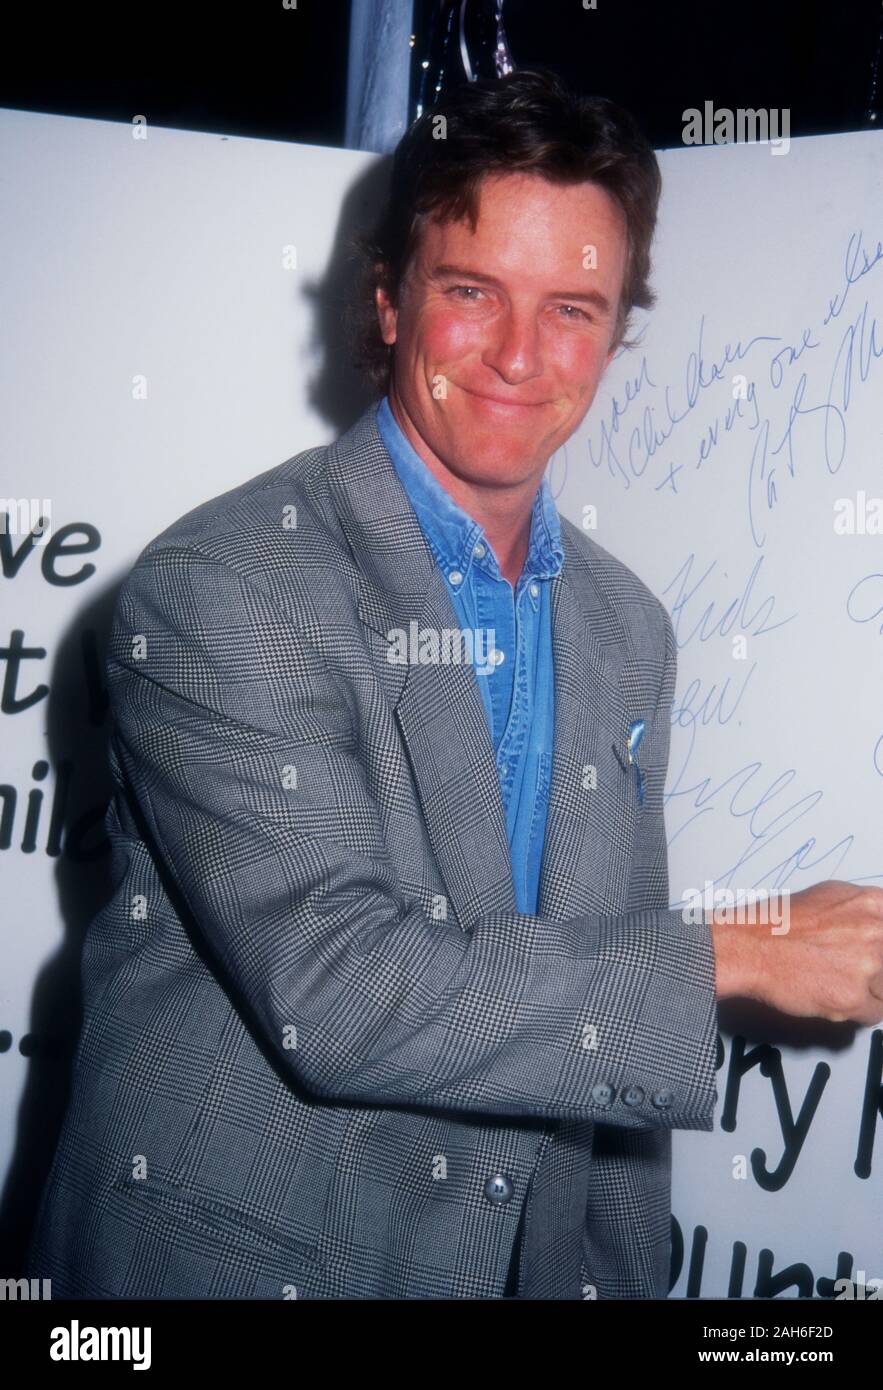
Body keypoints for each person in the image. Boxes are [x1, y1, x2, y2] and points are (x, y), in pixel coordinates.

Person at [25, 67, 883, 1301]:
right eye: (472, 292)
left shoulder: (626, 623)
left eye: (575, 308)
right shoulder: (224, 587)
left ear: (619, 331)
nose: (521, 357)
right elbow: (343, 988)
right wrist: (737, 954)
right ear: (387, 300)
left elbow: (599, 1054)